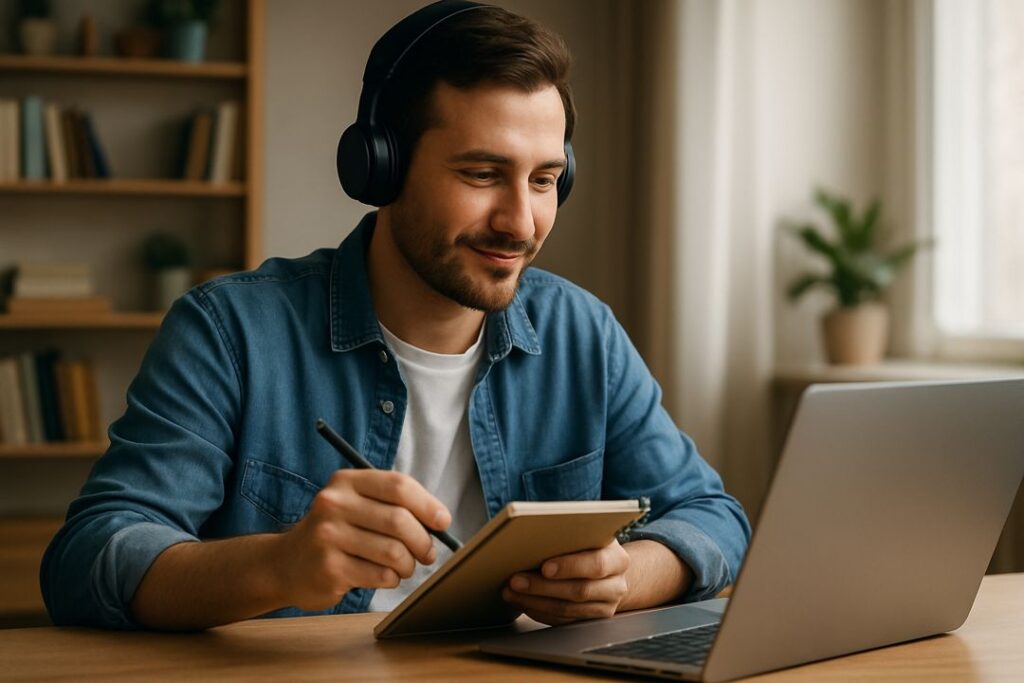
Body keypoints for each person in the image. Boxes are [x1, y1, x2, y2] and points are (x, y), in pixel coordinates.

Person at [41, 1, 750, 631]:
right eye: (481, 174)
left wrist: (628, 576)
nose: (521, 221)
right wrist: (280, 566)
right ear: (379, 167)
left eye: (543, 180)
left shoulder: (583, 334)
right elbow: (89, 556)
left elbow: (715, 517)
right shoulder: (230, 331)